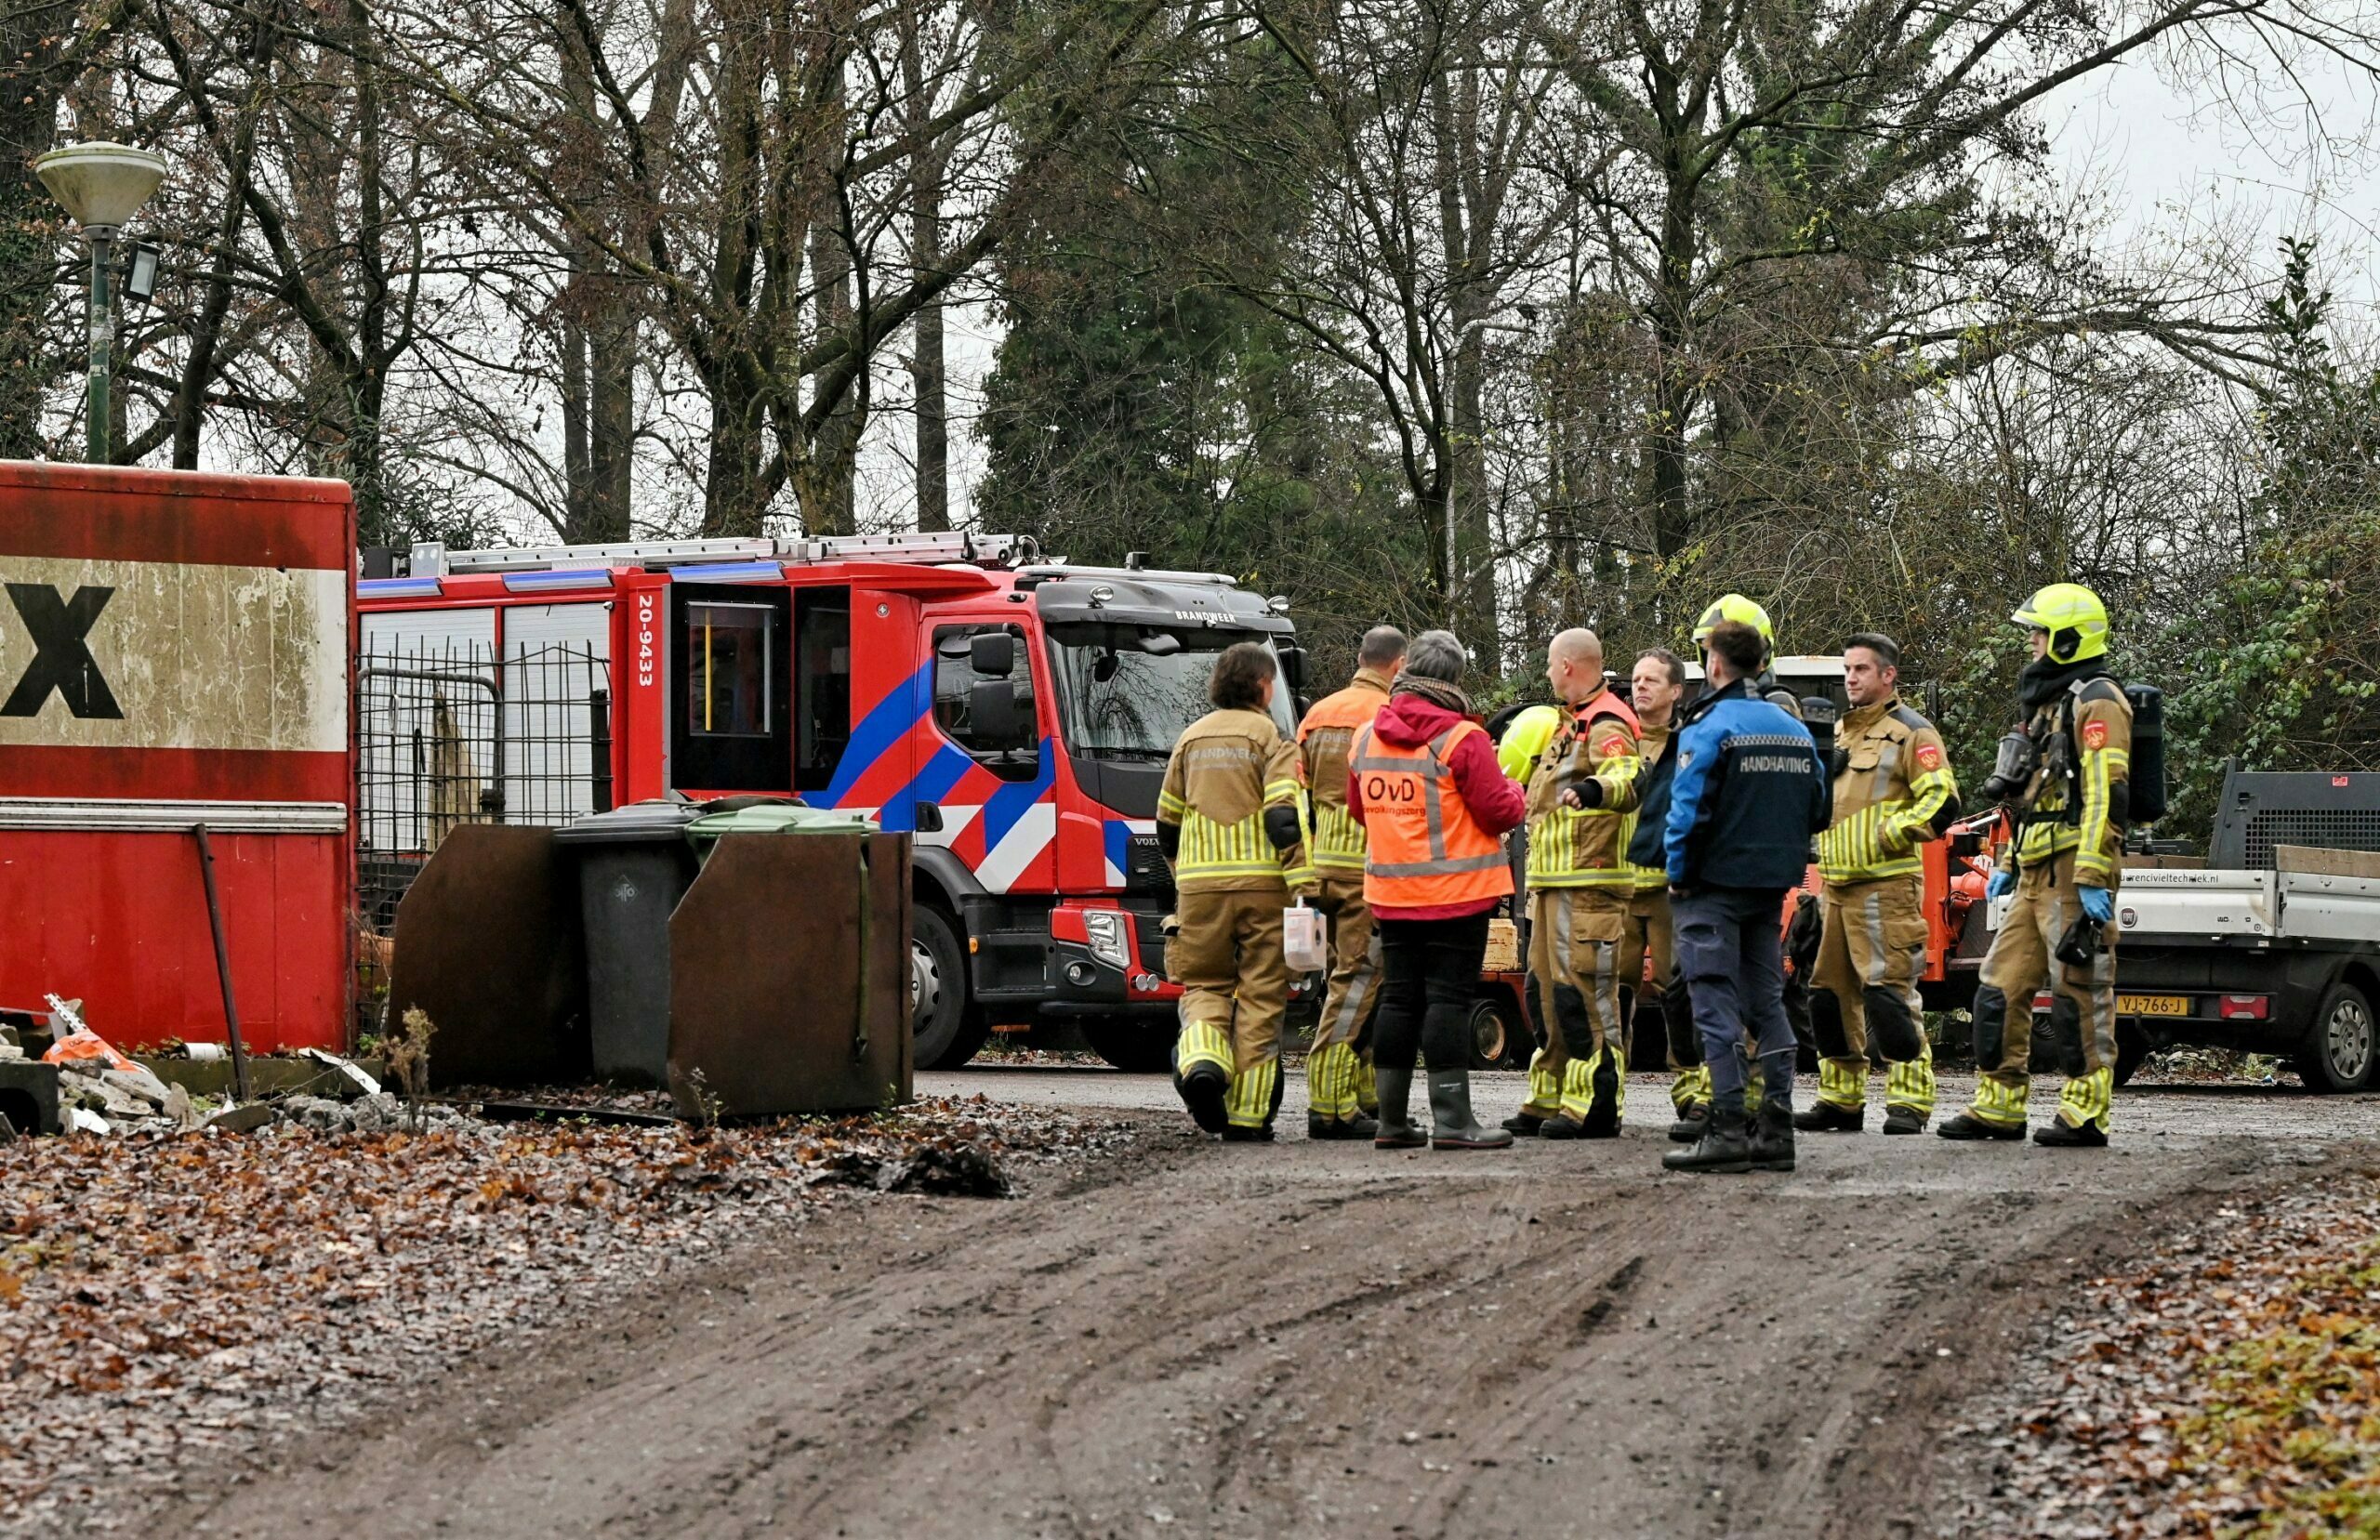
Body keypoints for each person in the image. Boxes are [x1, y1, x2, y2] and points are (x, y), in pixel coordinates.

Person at [1940, 584, 2132, 1148]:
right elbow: (2030, 798)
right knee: (1997, 990)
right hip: (2032, 873)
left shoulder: (2098, 701)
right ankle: (1999, 1106)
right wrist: (2007, 860)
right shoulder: (2051, 702)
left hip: (2073, 873)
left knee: (2078, 996)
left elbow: (2107, 795)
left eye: (2040, 633)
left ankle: (2085, 1114)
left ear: (2069, 639)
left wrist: (2093, 876)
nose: (2031, 642)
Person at [1661, 618, 1831, 1175]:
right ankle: (1776, 1131)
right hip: (1770, 886)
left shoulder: (1708, 726)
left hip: (1711, 888)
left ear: (1714, 663)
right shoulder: (1793, 728)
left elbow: (1686, 812)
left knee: (1714, 1005)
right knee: (1767, 1002)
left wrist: (1678, 874)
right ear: (1762, 663)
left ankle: (1727, 1130)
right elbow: (1819, 809)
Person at [1345, 629, 1527, 1150]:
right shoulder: (1464, 738)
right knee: (1449, 999)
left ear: (1407, 671)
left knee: (1399, 1000)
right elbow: (1499, 811)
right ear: (1454, 679)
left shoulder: (1366, 737)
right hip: (1457, 894)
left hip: (1391, 894)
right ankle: (1453, 1122)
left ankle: (1392, 1122)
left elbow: (1359, 809)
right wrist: (1516, 790)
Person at [1801, 633, 1961, 1136]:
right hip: (1834, 888)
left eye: (1861, 670)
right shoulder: (1840, 734)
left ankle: (1909, 1102)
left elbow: (1942, 802)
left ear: (1888, 675)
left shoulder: (1913, 732)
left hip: (1885, 887)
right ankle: (1840, 1100)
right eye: (1847, 669)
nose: (1851, 678)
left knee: (1889, 998)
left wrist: (1889, 832)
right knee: (1828, 998)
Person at [1157, 642, 1305, 1141]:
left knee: (1205, 986)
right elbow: (1283, 819)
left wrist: (1183, 875)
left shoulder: (1190, 739)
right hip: (1263, 890)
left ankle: (1203, 1061)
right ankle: (1247, 1118)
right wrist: (1302, 884)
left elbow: (1167, 824)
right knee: (1262, 998)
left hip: (1199, 890)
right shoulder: (1272, 739)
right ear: (1262, 686)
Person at [1508, 629, 1641, 1139]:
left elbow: (1629, 779)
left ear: (1566, 665)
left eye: (1548, 665)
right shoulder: (1571, 724)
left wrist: (1594, 787)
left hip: (1590, 882)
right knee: (1546, 994)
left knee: (1584, 995)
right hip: (1555, 882)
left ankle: (1595, 1104)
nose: (1547, 674)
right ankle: (1550, 1095)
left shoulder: (1607, 722)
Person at [1291, 625, 1406, 1139]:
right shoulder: (1387, 716)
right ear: (1398, 665)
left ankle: (1361, 1095)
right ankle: (1330, 1103)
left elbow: (1298, 793)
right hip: (1367, 868)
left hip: (1321, 869)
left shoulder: (1316, 715)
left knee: (1346, 979)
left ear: (1360, 658)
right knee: (1359, 982)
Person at [1619, 648, 1697, 1128]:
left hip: (1671, 891)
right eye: (1636, 679)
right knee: (1611, 997)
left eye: (1651, 680)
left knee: (1681, 995)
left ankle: (1692, 1094)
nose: (1640, 686)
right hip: (1617, 888)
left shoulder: (1691, 744)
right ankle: (1604, 1094)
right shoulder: (1614, 739)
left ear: (1676, 691)